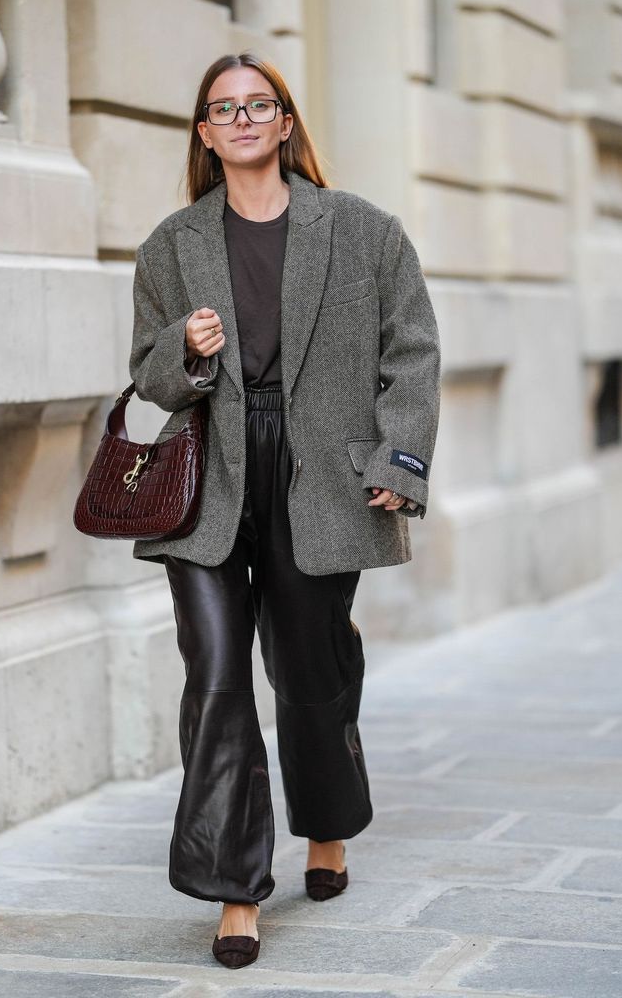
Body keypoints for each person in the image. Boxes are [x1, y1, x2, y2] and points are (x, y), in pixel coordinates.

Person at [129, 52, 441, 969]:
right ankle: (235, 887)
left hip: (320, 476)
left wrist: (397, 459)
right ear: (204, 132)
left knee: (311, 666)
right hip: (211, 477)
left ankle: (329, 824)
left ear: (285, 121)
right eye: (224, 108)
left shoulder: (363, 230)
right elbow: (148, 376)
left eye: (258, 104)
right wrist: (184, 350)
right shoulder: (171, 245)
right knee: (217, 675)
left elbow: (412, 350)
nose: (242, 119)